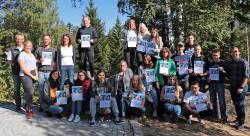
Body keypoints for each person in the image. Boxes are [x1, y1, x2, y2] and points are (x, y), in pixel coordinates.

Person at [225, 47, 249, 130]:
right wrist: (222, 70)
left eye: (236, 51)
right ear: (231, 53)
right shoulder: (230, 63)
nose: (234, 53)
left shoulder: (243, 62)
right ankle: (238, 119)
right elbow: (227, 74)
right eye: (232, 52)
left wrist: (241, 87)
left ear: (239, 52)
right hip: (233, 87)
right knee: (236, 103)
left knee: (240, 104)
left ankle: (241, 123)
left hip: (241, 87)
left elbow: (246, 77)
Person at [35, 34, 56, 111]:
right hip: (41, 71)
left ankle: (49, 105)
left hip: (50, 72)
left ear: (50, 40)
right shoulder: (39, 49)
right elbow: (34, 60)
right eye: (45, 39)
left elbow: (57, 61)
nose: (46, 40)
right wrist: (39, 60)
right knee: (40, 89)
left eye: (47, 39)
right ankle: (41, 105)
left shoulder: (54, 50)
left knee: (49, 90)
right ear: (43, 40)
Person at [18, 40, 38, 119]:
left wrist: (36, 73)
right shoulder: (22, 54)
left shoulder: (32, 55)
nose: (28, 47)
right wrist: (33, 77)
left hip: (33, 75)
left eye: (30, 45)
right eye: (27, 45)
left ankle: (26, 105)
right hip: (25, 75)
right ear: (24, 46)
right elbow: (23, 68)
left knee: (29, 92)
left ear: (32, 47)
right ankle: (29, 109)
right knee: (30, 92)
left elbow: (35, 65)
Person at [208, 49, 227, 123]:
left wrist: (223, 70)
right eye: (213, 55)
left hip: (220, 84)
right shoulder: (210, 63)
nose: (215, 57)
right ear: (212, 55)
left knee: (221, 101)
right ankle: (215, 116)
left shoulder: (223, 63)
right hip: (211, 84)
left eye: (216, 55)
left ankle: (224, 117)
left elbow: (227, 74)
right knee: (213, 101)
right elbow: (208, 73)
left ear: (219, 55)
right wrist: (208, 78)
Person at [6, 32, 24, 111]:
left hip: (25, 73)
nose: (19, 40)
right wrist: (13, 63)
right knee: (16, 89)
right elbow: (9, 60)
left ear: (23, 40)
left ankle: (26, 104)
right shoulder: (12, 49)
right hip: (15, 72)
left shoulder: (26, 48)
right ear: (16, 40)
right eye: (17, 39)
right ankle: (18, 105)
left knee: (27, 89)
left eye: (20, 39)